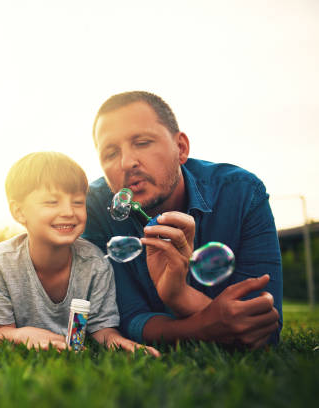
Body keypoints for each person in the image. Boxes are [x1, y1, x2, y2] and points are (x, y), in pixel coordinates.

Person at [82, 91, 282, 349]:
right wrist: (202, 326)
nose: (127, 162)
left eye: (142, 142)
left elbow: (263, 330)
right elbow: (125, 318)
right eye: (110, 153)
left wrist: (180, 295)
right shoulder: (92, 206)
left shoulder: (241, 193)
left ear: (181, 148)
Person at [0, 151, 160, 356]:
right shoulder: (1, 261)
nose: (69, 212)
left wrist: (120, 342)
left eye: (78, 202)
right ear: (19, 212)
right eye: (52, 202)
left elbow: (102, 329)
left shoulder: (95, 263)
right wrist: (23, 335)